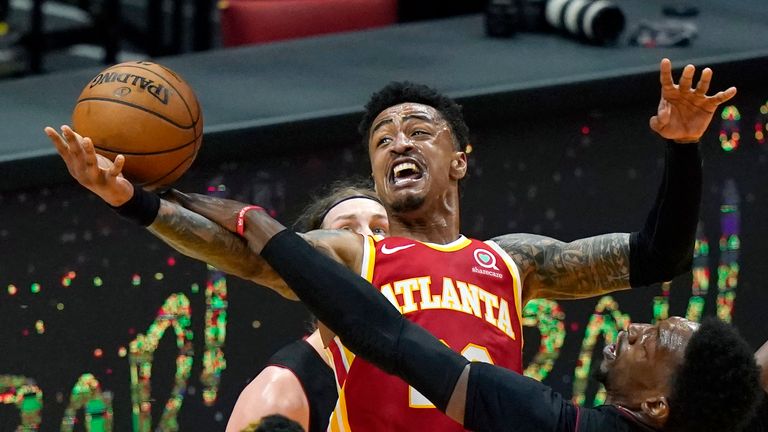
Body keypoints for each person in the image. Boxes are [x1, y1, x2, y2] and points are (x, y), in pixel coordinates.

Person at [45, 58, 735, 430]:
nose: (398, 141)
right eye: (381, 138)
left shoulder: (512, 259)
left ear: (460, 159)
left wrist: (681, 151)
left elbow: (654, 256)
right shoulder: (356, 253)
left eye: (417, 129)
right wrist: (131, 199)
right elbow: (242, 249)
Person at [216, 215, 764, 432]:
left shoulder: (558, 426)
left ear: (656, 405)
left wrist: (267, 232)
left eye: (657, 339)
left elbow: (392, 337)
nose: (637, 327)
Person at [227, 183, 388, 432]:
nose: (368, 241)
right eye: (345, 230)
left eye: (380, 229)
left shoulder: (427, 367)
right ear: (311, 264)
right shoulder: (281, 392)